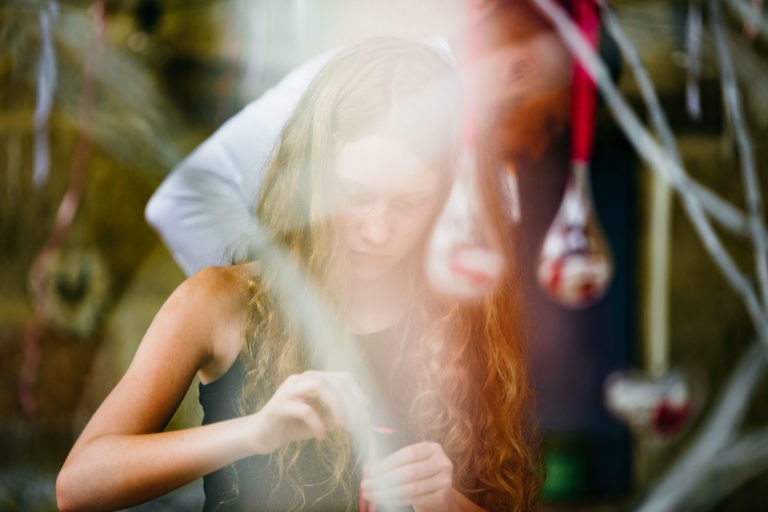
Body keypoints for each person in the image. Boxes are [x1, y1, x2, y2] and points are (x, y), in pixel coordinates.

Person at [56, 37, 540, 511]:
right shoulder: (221, 302)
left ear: (447, 200)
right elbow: (79, 485)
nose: (377, 230)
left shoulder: (468, 315)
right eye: (354, 193)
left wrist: (443, 503)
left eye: (409, 203)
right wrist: (255, 432)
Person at [144, 0, 572, 277]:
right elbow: (184, 203)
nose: (538, 149)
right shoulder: (352, 87)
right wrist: (285, 317)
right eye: (550, 124)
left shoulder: (489, 173)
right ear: (519, 70)